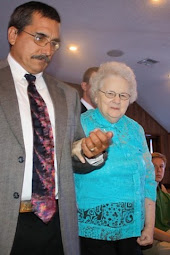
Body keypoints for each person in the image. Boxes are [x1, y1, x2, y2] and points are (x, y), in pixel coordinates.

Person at [0, 2, 113, 255]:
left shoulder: (66, 94)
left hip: (58, 225)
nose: (48, 50)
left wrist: (90, 151)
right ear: (13, 34)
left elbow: (73, 152)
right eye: (40, 37)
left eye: (54, 43)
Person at [74, 61, 157, 255]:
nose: (116, 100)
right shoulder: (79, 124)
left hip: (133, 231)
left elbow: (149, 179)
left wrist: (149, 225)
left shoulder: (136, 129)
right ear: (96, 94)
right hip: (91, 234)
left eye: (123, 95)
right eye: (110, 93)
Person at [143, 152, 170, 255]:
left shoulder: (165, 196)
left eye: (161, 167)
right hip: (150, 240)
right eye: (154, 166)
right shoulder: (142, 196)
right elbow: (148, 228)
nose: (158, 170)